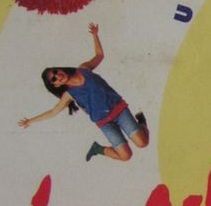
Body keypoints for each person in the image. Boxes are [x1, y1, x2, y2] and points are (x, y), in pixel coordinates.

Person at [18, 23, 149, 163]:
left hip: (119, 110)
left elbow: (99, 55)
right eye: (54, 79)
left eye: (55, 72)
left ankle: (141, 123)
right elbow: (52, 112)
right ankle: (97, 149)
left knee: (142, 143)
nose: (58, 76)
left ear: (59, 69)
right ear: (56, 85)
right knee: (125, 156)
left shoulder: (84, 69)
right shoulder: (69, 94)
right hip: (105, 122)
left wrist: (95, 35)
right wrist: (30, 121)